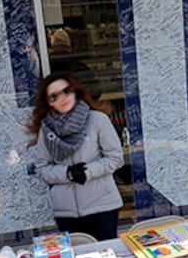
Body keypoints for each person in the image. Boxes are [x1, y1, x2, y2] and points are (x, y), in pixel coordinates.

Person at [27, 71, 124, 241]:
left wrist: (87, 171)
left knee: (106, 257)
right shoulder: (46, 130)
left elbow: (115, 158)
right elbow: (42, 169)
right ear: (49, 102)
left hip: (102, 205)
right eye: (54, 96)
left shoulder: (97, 120)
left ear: (75, 91)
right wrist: (68, 173)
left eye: (66, 90)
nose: (62, 98)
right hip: (66, 210)